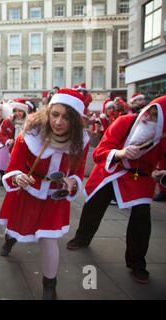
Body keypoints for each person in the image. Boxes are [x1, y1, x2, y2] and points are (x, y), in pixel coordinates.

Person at [0, 88, 90, 300]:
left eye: (66, 117)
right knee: (15, 228)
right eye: (55, 114)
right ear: (48, 113)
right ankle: (9, 240)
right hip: (28, 191)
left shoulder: (80, 141)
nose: (58, 122)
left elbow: (77, 172)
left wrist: (72, 182)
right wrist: (18, 177)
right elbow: (13, 168)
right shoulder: (30, 135)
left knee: (49, 240)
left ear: (75, 120)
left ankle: (50, 287)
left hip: (55, 197)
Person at [67, 95, 166, 284]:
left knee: (142, 217)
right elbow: (99, 153)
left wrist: (159, 172)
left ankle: (137, 263)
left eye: (155, 117)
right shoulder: (125, 121)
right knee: (93, 205)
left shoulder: (163, 136)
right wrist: (119, 153)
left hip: (139, 177)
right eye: (149, 112)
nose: (147, 118)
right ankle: (82, 238)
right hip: (110, 171)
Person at [0, 100, 30, 185]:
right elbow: (1, 134)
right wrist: (7, 141)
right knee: (14, 166)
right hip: (13, 149)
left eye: (20, 111)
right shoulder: (8, 121)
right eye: (16, 111)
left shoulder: (29, 122)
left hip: (28, 149)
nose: (17, 113)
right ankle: (14, 182)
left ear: (24, 112)